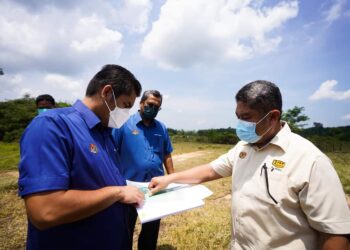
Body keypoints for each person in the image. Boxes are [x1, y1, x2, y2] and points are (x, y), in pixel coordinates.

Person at [148, 80, 350, 249]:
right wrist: (169, 178)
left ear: (273, 117)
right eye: (238, 117)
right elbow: (210, 170)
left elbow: (335, 234)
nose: (240, 125)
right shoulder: (244, 147)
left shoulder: (310, 161)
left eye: (246, 118)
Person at [18, 64, 145, 250]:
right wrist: (117, 192)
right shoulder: (52, 126)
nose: (126, 114)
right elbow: (45, 210)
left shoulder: (105, 133)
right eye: (126, 106)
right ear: (107, 93)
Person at [112, 89, 174, 250]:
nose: (152, 109)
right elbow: (111, 153)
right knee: (125, 229)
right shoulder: (124, 124)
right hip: (129, 187)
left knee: (151, 230)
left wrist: (172, 179)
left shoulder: (161, 128)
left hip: (155, 188)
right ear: (141, 103)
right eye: (150, 104)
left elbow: (167, 154)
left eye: (157, 107)